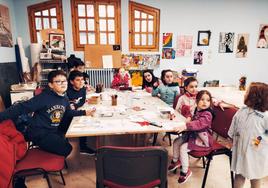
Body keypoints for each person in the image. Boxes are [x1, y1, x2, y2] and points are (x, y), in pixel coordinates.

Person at [0, 70, 95, 157]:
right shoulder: (44, 97)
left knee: (65, 143)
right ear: (51, 85)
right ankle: (42, 155)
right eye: (58, 81)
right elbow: (21, 107)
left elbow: (68, 112)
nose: (63, 84)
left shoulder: (64, 97)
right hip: (39, 132)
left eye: (64, 81)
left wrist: (84, 112)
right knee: (67, 148)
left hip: (52, 130)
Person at [168, 90, 214, 184]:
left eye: (208, 100)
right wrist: (189, 117)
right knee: (177, 141)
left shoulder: (208, 114)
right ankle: (176, 161)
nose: (205, 102)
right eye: (202, 99)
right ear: (197, 101)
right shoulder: (197, 109)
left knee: (183, 148)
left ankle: (185, 171)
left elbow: (199, 123)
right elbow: (190, 114)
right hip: (193, 135)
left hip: (203, 140)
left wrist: (186, 126)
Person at [228, 82, 268, 188]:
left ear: (255, 97)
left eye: (247, 92)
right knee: (239, 174)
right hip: (241, 150)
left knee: (255, 176)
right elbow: (234, 124)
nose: (244, 94)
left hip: (256, 153)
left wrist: (258, 141)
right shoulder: (242, 111)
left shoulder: (265, 116)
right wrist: (231, 137)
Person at [63, 70, 95, 155]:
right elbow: (68, 112)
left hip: (73, 111)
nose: (81, 82)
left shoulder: (83, 89)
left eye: (82, 79)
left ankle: (83, 146)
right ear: (71, 82)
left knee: (86, 118)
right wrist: (83, 112)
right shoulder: (66, 92)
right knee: (83, 118)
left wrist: (75, 106)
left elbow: (82, 101)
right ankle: (82, 147)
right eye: (78, 80)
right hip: (65, 117)